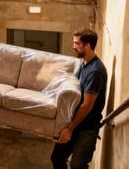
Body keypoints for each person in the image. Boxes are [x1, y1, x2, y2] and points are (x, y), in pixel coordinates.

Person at [51, 29, 107, 169]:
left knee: (77, 165)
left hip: (86, 129)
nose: (74, 46)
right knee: (57, 158)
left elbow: (87, 105)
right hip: (75, 124)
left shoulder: (95, 71)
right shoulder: (84, 64)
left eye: (77, 43)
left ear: (87, 45)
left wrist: (69, 129)